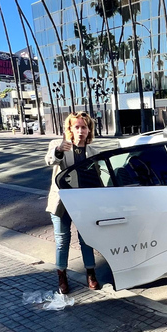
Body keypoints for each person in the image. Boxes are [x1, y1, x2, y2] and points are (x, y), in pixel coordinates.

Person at [45, 111, 100, 294]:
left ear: (89, 129)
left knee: (87, 240)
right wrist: (60, 149)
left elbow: (99, 178)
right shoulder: (58, 146)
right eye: (76, 127)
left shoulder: (93, 152)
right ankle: (62, 276)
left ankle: (90, 273)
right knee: (62, 241)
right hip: (62, 203)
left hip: (84, 204)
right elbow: (50, 160)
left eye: (84, 127)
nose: (80, 131)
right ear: (69, 129)